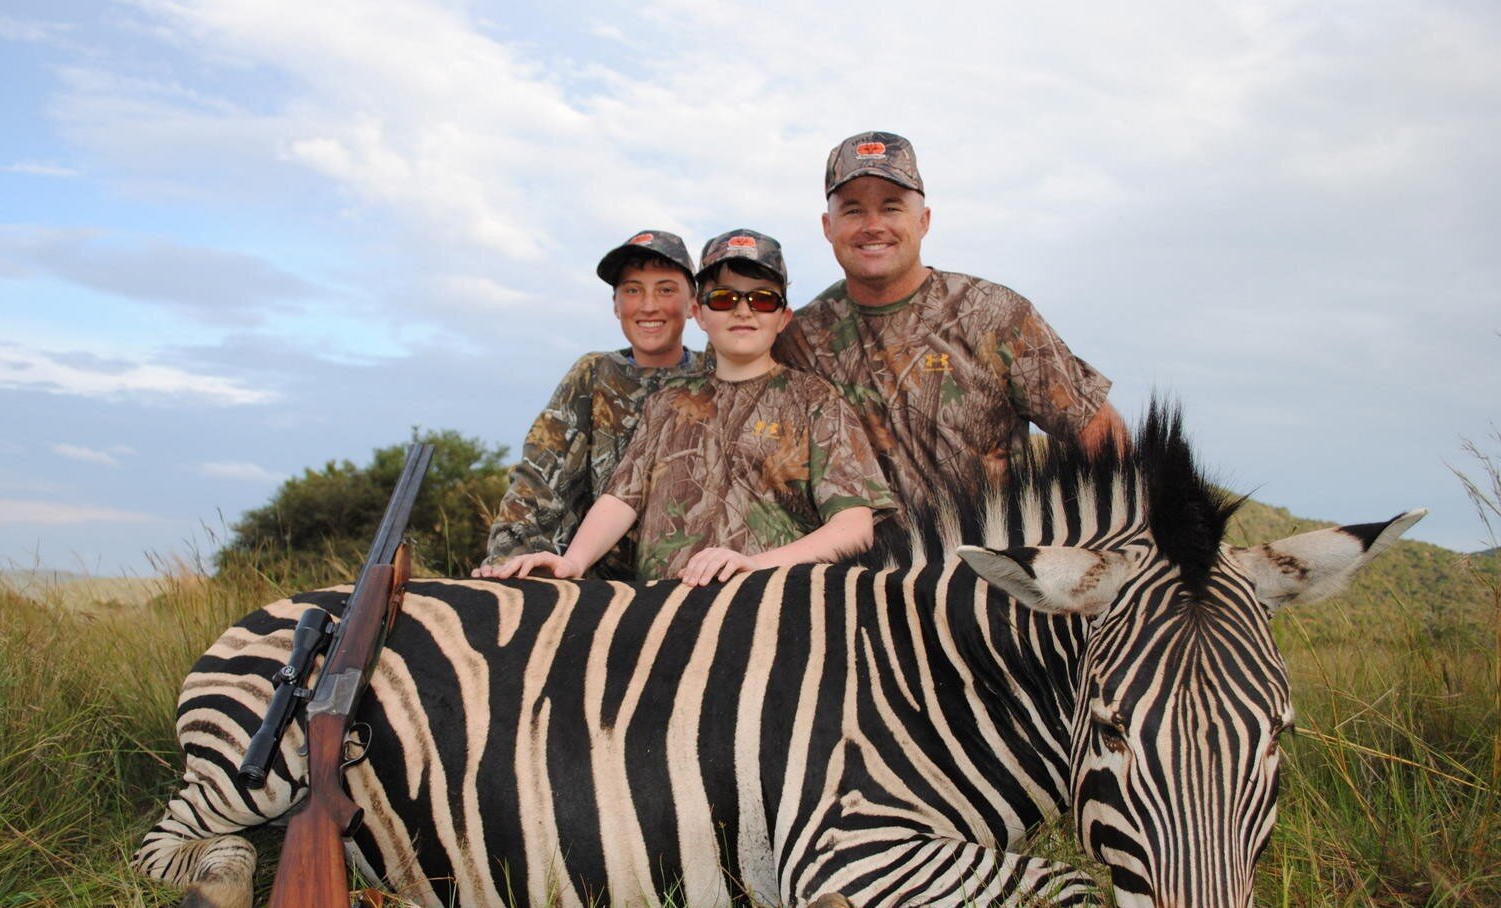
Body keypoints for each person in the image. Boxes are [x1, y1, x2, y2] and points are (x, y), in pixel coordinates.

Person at [480, 229, 895, 587]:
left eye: (763, 299)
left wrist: (754, 566)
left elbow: (854, 527)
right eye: (724, 297)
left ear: (784, 317)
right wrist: (572, 562)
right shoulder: (669, 402)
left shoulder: (816, 401)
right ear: (698, 313)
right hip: (664, 621)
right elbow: (622, 499)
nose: (743, 309)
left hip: (771, 615)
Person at [775, 131, 1128, 507]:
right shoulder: (798, 338)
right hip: (856, 565)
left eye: (892, 207)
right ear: (828, 227)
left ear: (923, 221)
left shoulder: (995, 314)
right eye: (853, 210)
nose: (873, 225)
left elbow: (1098, 432)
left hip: (991, 561)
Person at [479, 229, 710, 578]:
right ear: (616, 305)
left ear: (692, 304)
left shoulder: (716, 374)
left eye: (666, 289)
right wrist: (507, 562)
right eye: (633, 290)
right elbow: (539, 479)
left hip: (696, 582)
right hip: (597, 588)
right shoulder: (592, 373)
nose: (649, 305)